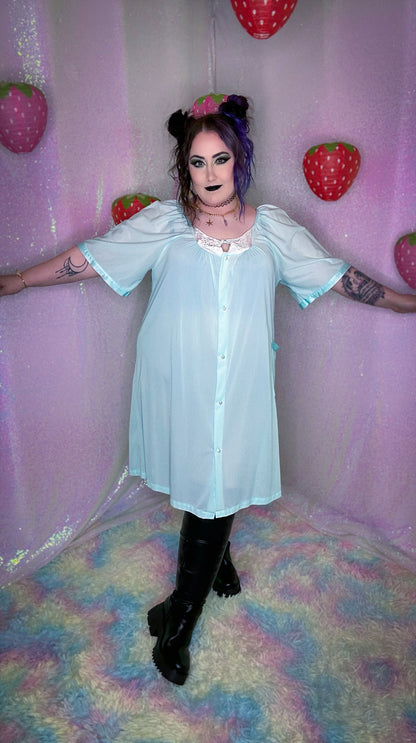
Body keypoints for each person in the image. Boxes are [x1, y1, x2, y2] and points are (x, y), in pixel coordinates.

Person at [1, 94, 415, 686]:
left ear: (240, 160)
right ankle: (188, 608)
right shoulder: (163, 225)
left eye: (221, 159)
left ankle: (181, 607)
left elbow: (335, 274)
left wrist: (401, 303)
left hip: (240, 387)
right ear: (184, 167)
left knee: (220, 481)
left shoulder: (273, 229)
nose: (211, 173)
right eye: (198, 162)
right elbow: (90, 259)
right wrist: (20, 280)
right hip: (180, 385)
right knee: (207, 488)